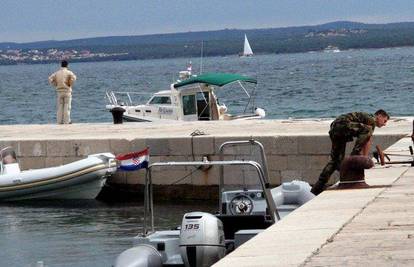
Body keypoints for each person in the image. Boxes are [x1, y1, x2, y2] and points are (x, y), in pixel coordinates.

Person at [311, 109, 389, 195]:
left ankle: (318, 187)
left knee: (335, 160)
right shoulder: (371, 120)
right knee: (367, 130)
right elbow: (368, 139)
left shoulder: (366, 118)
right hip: (343, 125)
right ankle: (355, 154)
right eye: (384, 121)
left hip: (335, 128)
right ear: (379, 116)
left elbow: (365, 139)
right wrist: (363, 158)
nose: (384, 124)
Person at [48, 60, 77, 124]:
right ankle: (66, 121)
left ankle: (59, 121)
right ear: (67, 65)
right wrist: (70, 84)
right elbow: (74, 78)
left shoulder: (57, 73)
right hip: (67, 91)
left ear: (61, 65)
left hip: (59, 91)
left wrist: (55, 84)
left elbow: (50, 78)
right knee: (67, 106)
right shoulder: (69, 72)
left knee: (60, 107)